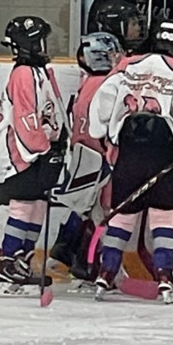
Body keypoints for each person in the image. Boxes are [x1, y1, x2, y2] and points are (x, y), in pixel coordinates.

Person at [88, 18, 173, 303]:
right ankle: (165, 276)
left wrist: (101, 132)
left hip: (128, 152)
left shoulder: (127, 64)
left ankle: (106, 274)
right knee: (164, 216)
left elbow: (101, 102)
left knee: (123, 215)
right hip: (162, 154)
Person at [0, 16, 67, 297]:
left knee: (37, 205)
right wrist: (43, 148)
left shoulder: (38, 72)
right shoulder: (23, 74)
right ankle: (7, 268)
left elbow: (46, 112)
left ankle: (21, 261)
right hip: (21, 151)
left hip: (35, 148)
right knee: (23, 205)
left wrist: (56, 138)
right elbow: (25, 118)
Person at [46, 32, 124, 288]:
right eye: (112, 53)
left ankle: (64, 252)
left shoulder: (89, 81)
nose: (118, 57)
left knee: (85, 209)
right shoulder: (106, 84)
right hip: (99, 156)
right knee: (104, 214)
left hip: (83, 154)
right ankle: (89, 265)